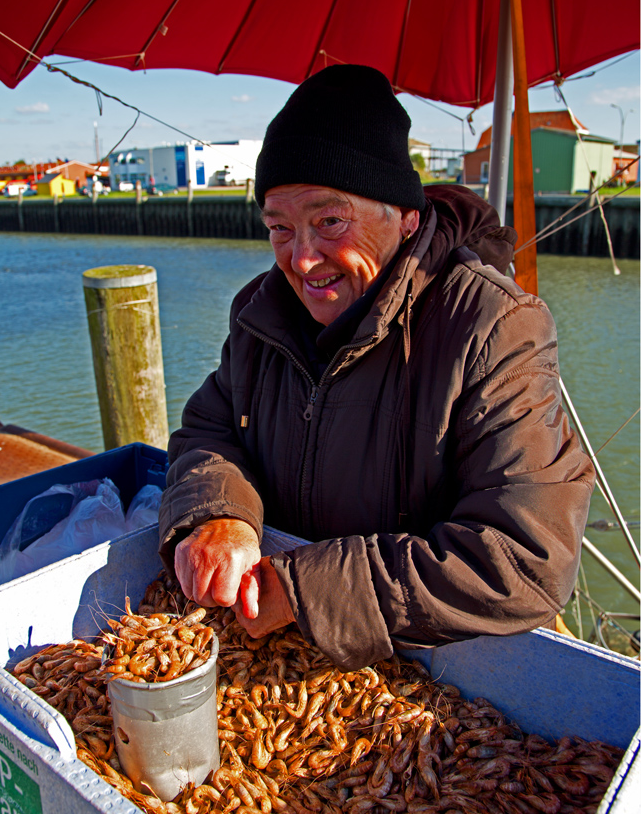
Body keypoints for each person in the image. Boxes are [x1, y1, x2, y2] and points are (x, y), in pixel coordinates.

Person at [158, 65, 594, 671]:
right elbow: (209, 430)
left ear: (406, 216)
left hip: (437, 665)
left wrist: (309, 592)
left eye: (330, 221)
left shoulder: (496, 325)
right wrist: (218, 512)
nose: (302, 259)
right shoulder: (258, 314)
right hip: (277, 649)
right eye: (279, 228)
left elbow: (526, 559)